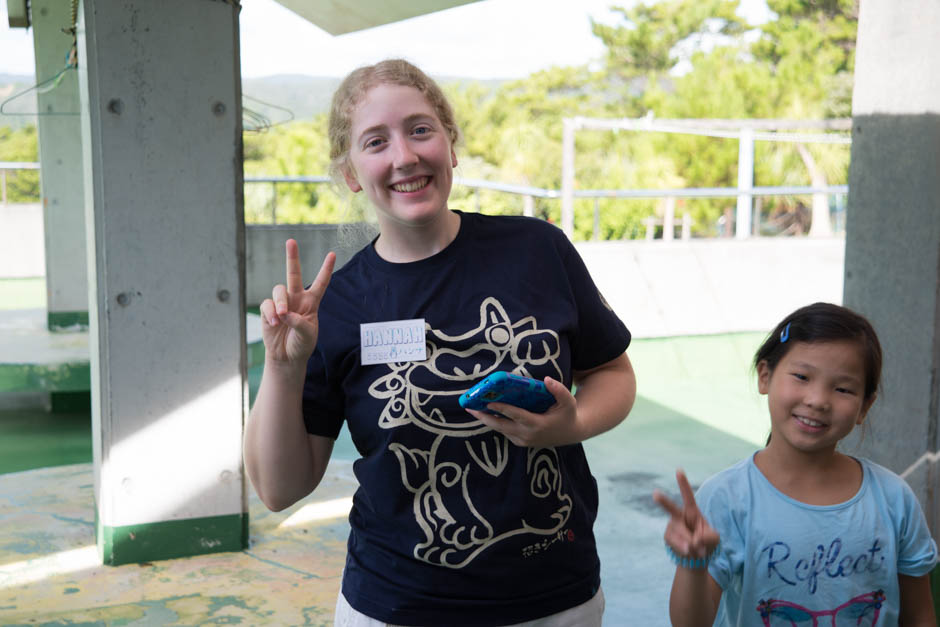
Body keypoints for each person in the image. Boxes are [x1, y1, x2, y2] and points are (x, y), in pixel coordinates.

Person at [243, 58, 637, 627]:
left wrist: (571, 426)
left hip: (555, 600)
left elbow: (614, 374)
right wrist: (282, 367)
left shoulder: (537, 249)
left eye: (420, 129)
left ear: (450, 145)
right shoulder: (338, 306)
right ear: (351, 172)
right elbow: (280, 489)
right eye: (375, 142)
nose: (404, 156)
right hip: (396, 606)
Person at [654, 302, 938, 626]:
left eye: (843, 388)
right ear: (765, 376)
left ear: (864, 406)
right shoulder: (727, 498)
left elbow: (920, 616)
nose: (817, 400)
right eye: (802, 376)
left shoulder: (894, 499)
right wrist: (693, 565)